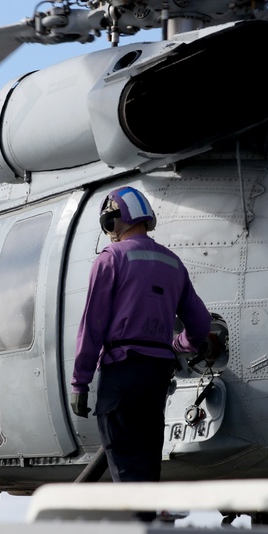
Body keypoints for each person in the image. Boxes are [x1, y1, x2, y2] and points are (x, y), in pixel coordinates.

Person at [70, 185, 215, 484]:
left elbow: (92, 327)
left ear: (115, 220)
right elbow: (200, 325)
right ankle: (147, 525)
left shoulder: (111, 259)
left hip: (121, 374)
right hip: (157, 379)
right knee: (148, 469)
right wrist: (177, 345)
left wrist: (80, 383)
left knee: (124, 467)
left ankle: (136, 527)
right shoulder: (173, 262)